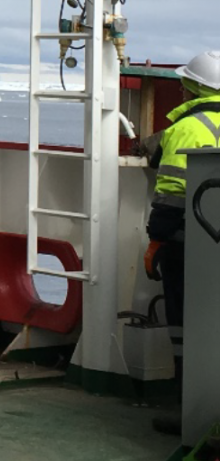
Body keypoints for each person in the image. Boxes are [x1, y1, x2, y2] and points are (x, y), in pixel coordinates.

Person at [145, 49, 220, 435]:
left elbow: (172, 190)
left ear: (192, 86)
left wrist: (156, 240)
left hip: (189, 241)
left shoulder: (186, 129)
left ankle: (186, 407)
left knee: (184, 324)